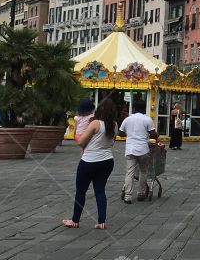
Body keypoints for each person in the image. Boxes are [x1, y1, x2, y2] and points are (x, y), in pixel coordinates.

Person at [63, 98, 118, 230]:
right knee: (100, 191)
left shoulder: (95, 124)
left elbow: (81, 142)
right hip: (107, 161)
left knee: (81, 192)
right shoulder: (114, 125)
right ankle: (101, 221)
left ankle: (75, 220)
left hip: (89, 161)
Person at [119, 99, 156, 203]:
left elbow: (120, 133)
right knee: (143, 171)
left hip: (130, 148)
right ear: (144, 108)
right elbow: (153, 134)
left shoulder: (127, 119)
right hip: (143, 149)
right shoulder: (147, 119)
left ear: (133, 108)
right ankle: (141, 193)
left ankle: (128, 196)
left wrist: (130, 134)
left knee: (129, 172)